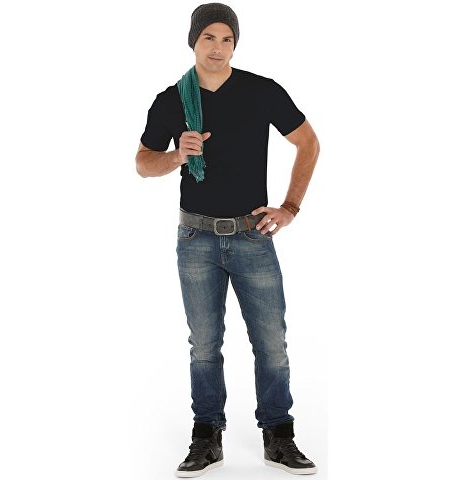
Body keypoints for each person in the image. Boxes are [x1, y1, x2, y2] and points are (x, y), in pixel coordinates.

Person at [136, 3, 320, 477]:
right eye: (209, 38)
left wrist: (290, 206)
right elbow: (143, 162)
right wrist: (177, 156)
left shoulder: (262, 91)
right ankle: (207, 436)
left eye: (226, 39)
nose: (218, 48)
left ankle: (279, 435)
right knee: (204, 344)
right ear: (193, 41)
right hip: (195, 236)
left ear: (235, 44)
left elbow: (308, 142)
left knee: (271, 342)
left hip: (252, 234)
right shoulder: (171, 100)